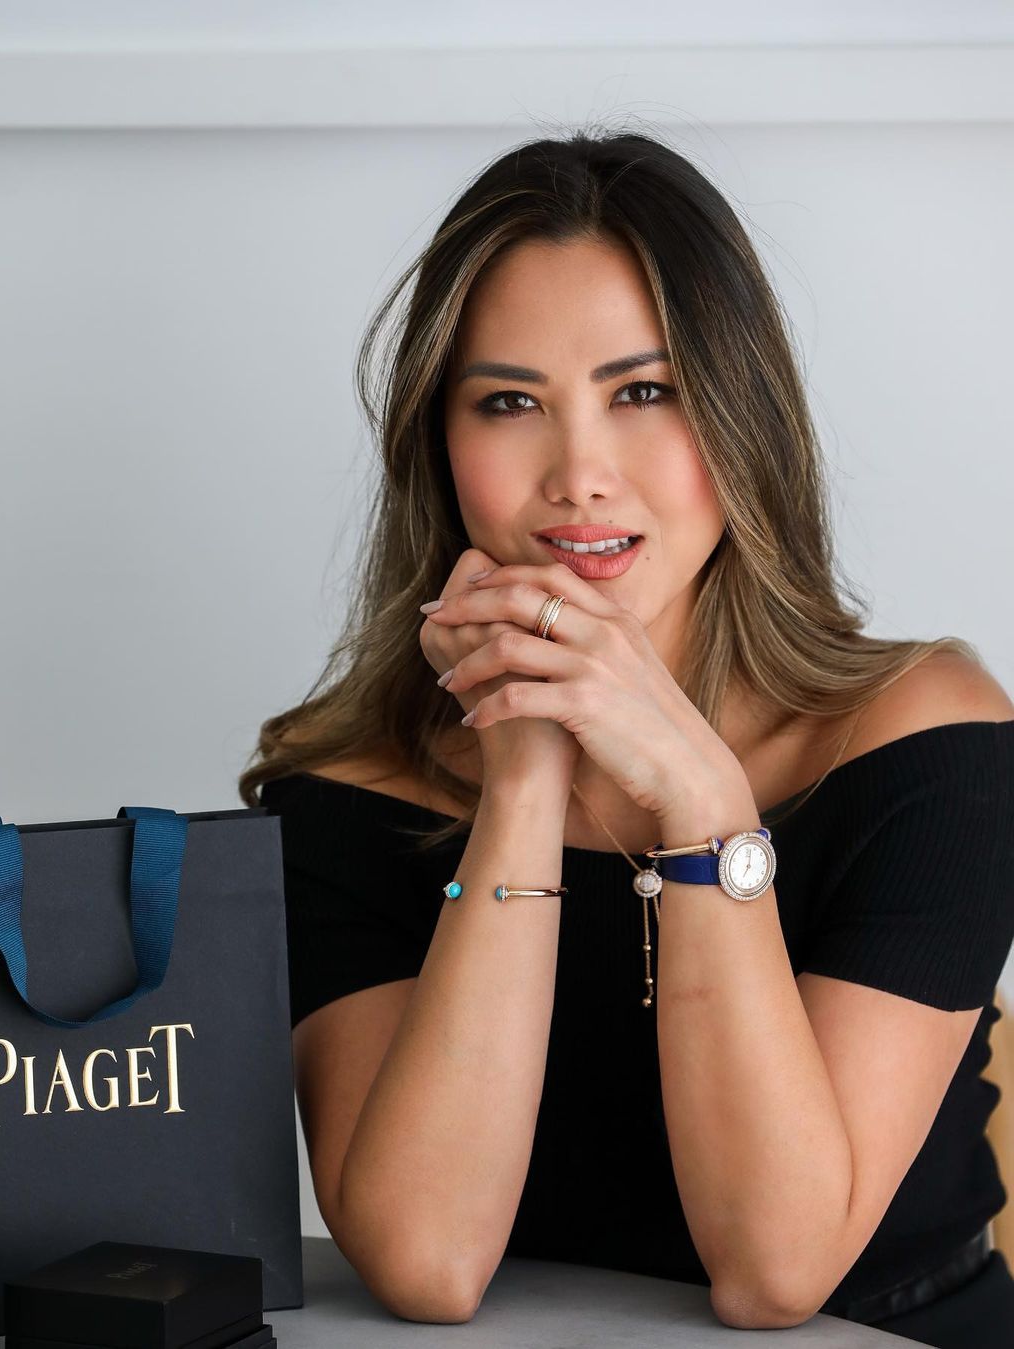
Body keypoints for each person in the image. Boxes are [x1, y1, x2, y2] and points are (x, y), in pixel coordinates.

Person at [239, 123, 1014, 1344]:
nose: (580, 473)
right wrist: (524, 773)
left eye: (644, 391)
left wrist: (702, 798)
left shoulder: (926, 740)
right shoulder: (342, 791)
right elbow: (428, 1260)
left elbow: (777, 1271)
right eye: (509, 402)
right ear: (442, 447)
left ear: (742, 416)